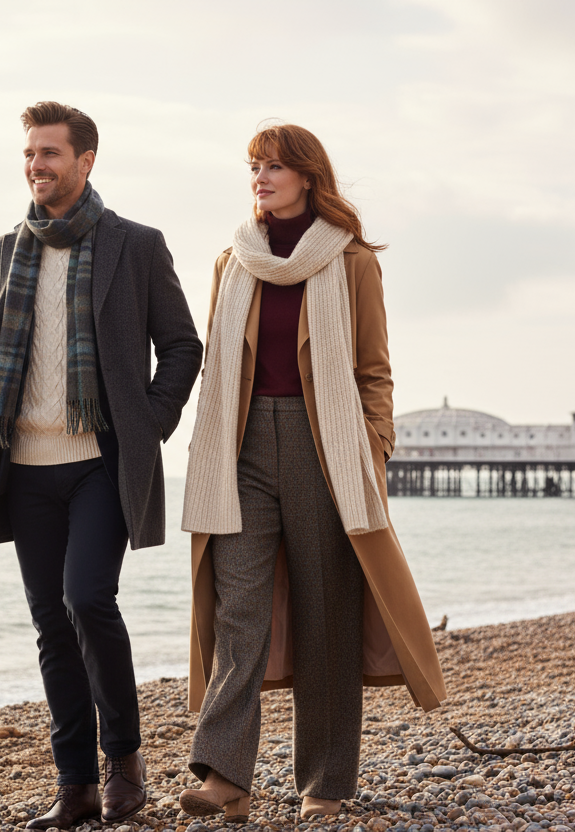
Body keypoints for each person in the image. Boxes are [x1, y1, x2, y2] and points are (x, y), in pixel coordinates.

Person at [0, 101, 202, 829]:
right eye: (29, 154)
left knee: (88, 599)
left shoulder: (136, 245)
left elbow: (182, 346)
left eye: (49, 153)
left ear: (86, 161)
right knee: (51, 626)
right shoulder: (2, 251)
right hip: (24, 465)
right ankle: (75, 785)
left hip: (99, 461)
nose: (36, 166)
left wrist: (148, 423)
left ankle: (124, 759)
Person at [178, 123, 447, 823]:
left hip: (323, 444)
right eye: (253, 167)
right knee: (239, 611)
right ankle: (225, 777)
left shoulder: (352, 262)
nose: (260, 178)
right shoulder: (231, 262)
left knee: (329, 613)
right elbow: (217, 367)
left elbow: (373, 371)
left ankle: (325, 783)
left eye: (273, 166)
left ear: (307, 176)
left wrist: (374, 447)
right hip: (238, 451)